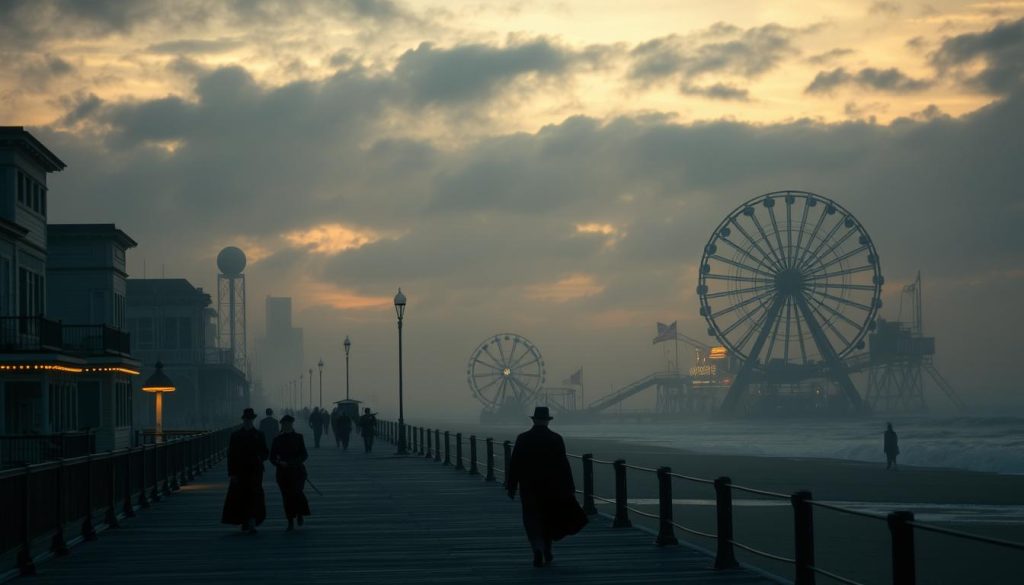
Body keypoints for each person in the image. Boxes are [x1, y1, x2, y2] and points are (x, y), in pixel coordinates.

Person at [506, 406, 587, 567]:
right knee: (548, 517)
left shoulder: (523, 438)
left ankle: (537, 548)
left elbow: (515, 463)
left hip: (528, 486)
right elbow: (563, 465)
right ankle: (547, 549)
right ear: (547, 421)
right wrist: (569, 486)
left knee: (531, 518)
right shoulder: (556, 439)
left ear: (534, 420)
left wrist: (511, 485)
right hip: (552, 486)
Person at [221, 408, 269, 533]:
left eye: (250, 419)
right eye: (246, 419)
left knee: (254, 496)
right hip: (240, 471)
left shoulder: (259, 434)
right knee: (241, 496)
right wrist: (232, 473)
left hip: (255, 470)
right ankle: (244, 521)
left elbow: (265, 452)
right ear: (243, 420)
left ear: (252, 420)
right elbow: (231, 455)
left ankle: (252, 522)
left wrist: (260, 457)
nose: (248, 421)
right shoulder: (235, 435)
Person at [270, 414, 311, 531]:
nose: (286, 426)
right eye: (284, 425)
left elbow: (304, 454)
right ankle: (290, 521)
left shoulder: (299, 437)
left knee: (297, 493)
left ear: (291, 425)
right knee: (286, 497)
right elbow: (272, 457)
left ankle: (299, 513)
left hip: (298, 472)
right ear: (282, 426)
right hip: (283, 474)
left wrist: (292, 463)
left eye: (288, 425)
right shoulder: (277, 440)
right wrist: (279, 463)